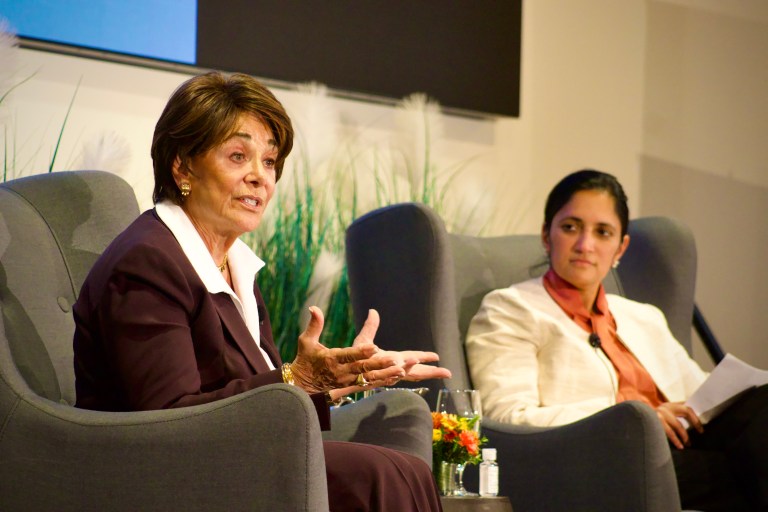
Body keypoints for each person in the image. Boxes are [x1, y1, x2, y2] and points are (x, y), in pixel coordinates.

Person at [73, 71, 451, 511]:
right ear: (183, 166)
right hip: (162, 473)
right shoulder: (147, 261)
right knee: (383, 473)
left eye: (269, 162)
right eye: (238, 156)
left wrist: (342, 377)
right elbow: (169, 417)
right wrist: (301, 378)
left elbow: (258, 395)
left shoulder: (236, 266)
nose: (260, 177)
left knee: (404, 467)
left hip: (235, 456)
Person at [466, 169, 768, 512]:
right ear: (547, 236)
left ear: (620, 246)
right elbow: (508, 417)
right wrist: (635, 416)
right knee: (741, 473)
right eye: (570, 227)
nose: (585, 245)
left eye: (602, 232)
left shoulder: (644, 317)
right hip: (604, 459)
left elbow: (701, 397)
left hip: (686, 445)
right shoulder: (509, 308)